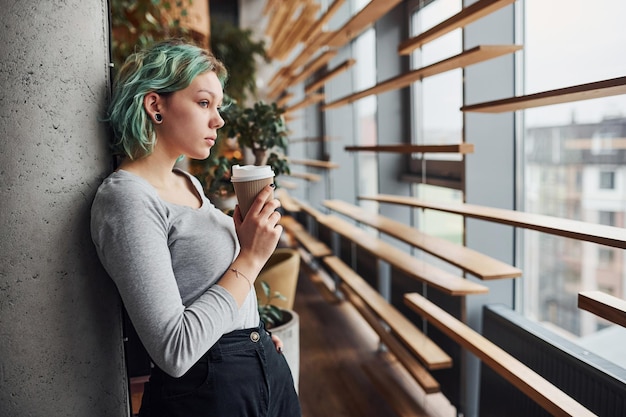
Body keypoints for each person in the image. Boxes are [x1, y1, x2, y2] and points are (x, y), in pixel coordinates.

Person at [90, 39, 301, 417]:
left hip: (262, 370)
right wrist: (250, 257)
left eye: (217, 107)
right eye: (204, 103)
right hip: (209, 395)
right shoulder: (127, 200)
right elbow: (174, 349)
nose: (218, 120)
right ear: (156, 105)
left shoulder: (189, 183)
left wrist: (254, 337)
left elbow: (206, 287)